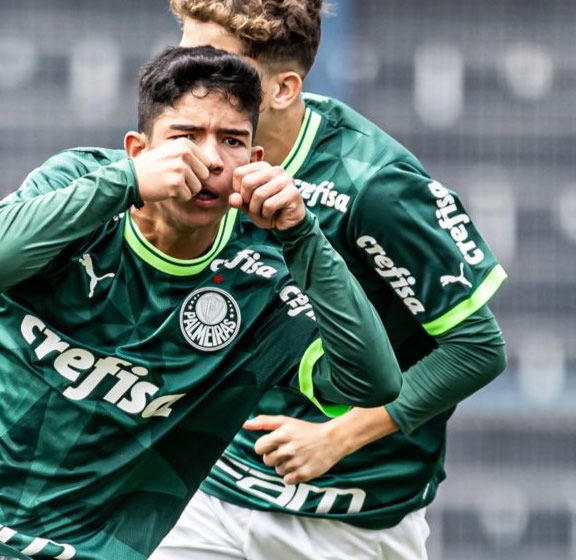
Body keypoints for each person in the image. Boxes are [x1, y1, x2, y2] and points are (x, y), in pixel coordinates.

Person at [0, 45, 402, 560]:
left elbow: (372, 382)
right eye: (186, 136)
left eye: (232, 141)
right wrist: (126, 182)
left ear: (256, 160)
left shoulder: (265, 274)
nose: (210, 159)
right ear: (139, 147)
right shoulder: (79, 184)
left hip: (67, 550)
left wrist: (303, 233)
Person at [147, 2, 509, 559]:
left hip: (348, 520)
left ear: (284, 88)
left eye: (215, 60)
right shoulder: (189, 150)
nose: (190, 75)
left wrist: (336, 437)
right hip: (209, 497)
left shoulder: (374, 184)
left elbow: (477, 349)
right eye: (184, 51)